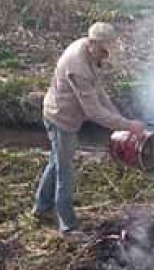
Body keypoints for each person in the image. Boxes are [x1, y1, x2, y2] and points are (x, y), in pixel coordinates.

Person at [33, 22, 145, 237]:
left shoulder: (89, 52)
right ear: (93, 44)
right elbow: (93, 111)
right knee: (65, 172)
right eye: (104, 50)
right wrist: (127, 126)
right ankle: (68, 226)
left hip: (65, 114)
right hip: (61, 118)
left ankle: (41, 207)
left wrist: (120, 119)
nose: (106, 55)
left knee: (57, 162)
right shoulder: (77, 66)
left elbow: (99, 92)